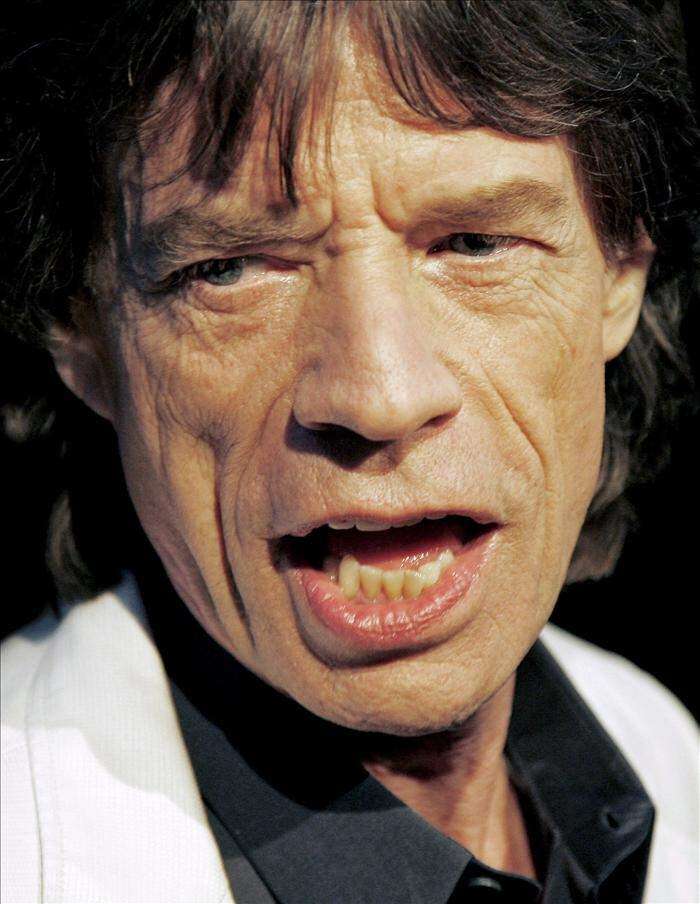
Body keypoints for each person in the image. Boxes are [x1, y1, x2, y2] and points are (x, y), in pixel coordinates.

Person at [1, 2, 698, 902]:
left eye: (475, 244)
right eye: (230, 269)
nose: (380, 397)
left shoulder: (664, 753)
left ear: (621, 272)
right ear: (83, 338)